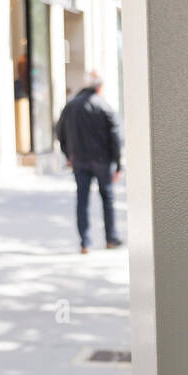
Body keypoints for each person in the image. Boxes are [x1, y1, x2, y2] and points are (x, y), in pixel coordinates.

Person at [56, 72, 124, 253]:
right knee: (107, 199)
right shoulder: (103, 106)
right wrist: (118, 163)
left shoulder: (70, 106)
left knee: (82, 200)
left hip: (79, 160)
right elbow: (116, 136)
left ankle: (85, 243)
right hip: (102, 160)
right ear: (99, 88)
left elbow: (60, 132)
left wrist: (68, 154)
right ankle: (111, 239)